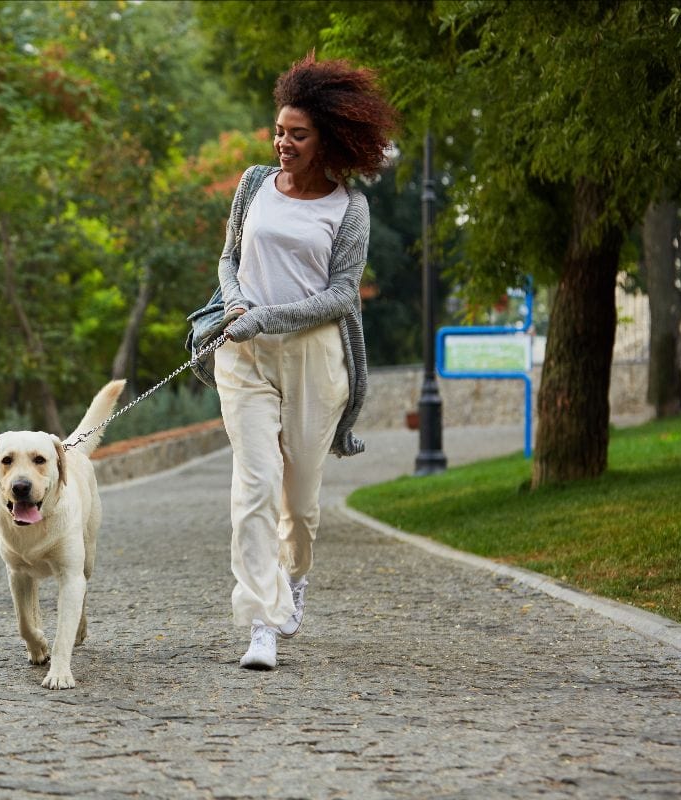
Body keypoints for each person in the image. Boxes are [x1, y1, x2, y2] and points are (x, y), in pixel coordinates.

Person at [213, 56, 398, 669]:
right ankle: (260, 622)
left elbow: (343, 294)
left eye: (298, 134)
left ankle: (294, 578)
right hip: (244, 356)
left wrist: (268, 315)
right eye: (279, 131)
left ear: (329, 141)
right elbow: (228, 258)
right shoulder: (253, 184)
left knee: (301, 501)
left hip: (315, 361)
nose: (282, 143)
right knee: (256, 487)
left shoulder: (349, 209)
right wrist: (237, 301)